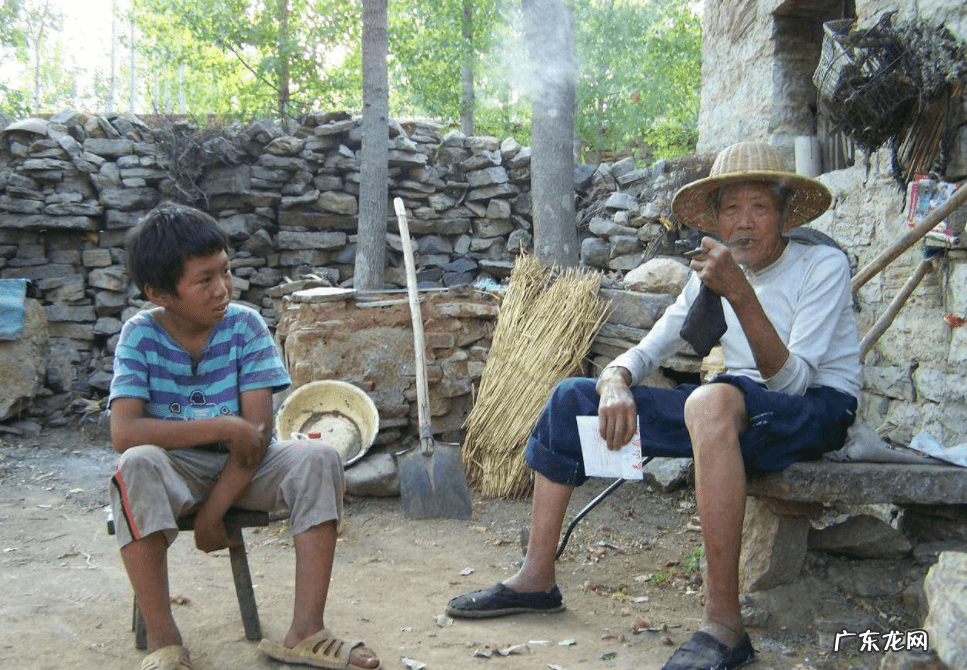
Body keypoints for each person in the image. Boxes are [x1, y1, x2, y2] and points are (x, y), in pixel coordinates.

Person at [446, 142, 860, 670]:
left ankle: (724, 627)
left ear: (783, 215)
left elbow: (794, 384)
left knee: (710, 402)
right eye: (731, 208)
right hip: (731, 405)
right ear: (716, 218)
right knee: (572, 397)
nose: (744, 221)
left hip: (816, 409)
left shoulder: (821, 264)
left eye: (759, 206)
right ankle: (536, 578)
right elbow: (652, 347)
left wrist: (740, 293)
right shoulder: (710, 273)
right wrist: (616, 379)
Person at [108, 203, 380, 670]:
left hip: (249, 467)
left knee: (319, 459)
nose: (223, 289)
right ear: (159, 293)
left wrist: (214, 514)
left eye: (225, 272)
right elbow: (124, 431)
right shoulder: (140, 337)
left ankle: (306, 631)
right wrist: (219, 426)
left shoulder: (245, 326)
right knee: (136, 464)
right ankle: (164, 641)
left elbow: (254, 437)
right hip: (178, 471)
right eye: (204, 280)